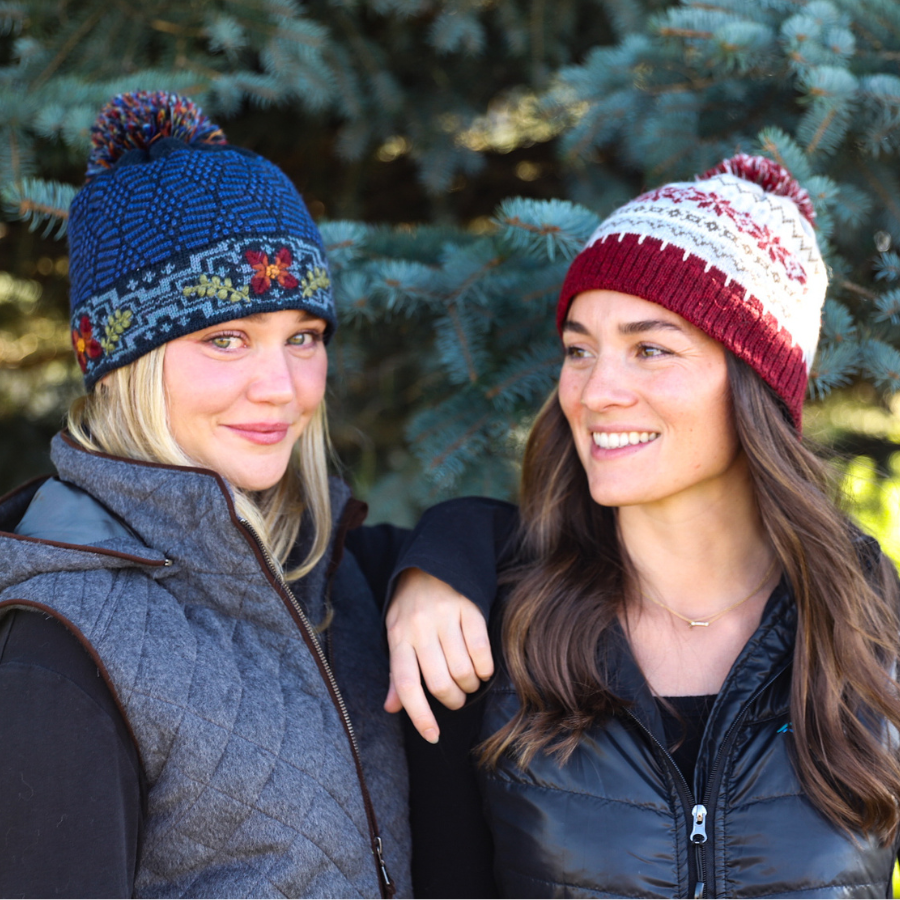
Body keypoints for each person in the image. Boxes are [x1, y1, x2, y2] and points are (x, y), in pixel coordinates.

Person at [385, 156, 900, 898]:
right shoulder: (493, 625)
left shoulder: (865, 623)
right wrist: (435, 558)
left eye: (650, 349)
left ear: (755, 381)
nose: (597, 392)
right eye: (579, 350)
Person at [0, 91, 411, 898]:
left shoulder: (332, 575)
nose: (281, 387)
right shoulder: (63, 643)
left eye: (303, 337)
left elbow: (513, 536)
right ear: (126, 362)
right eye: (225, 340)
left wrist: (444, 573)